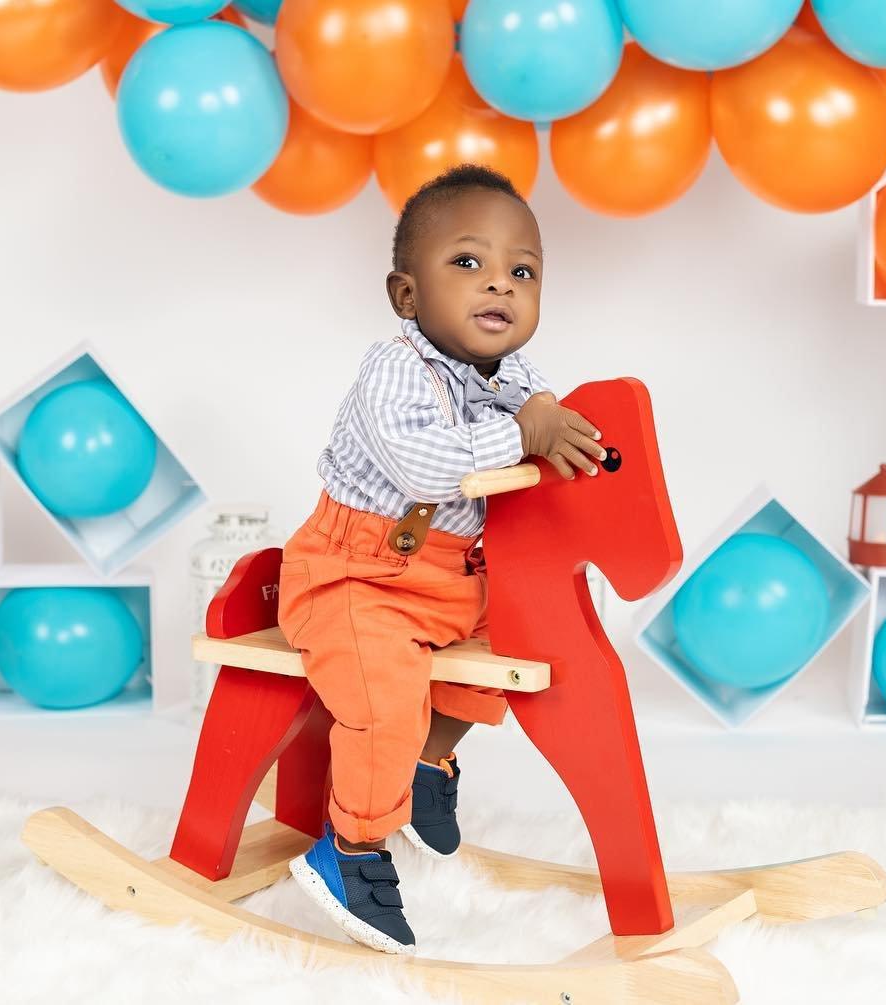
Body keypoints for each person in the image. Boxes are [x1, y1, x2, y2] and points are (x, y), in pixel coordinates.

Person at [279, 164, 607, 955]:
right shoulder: (393, 369)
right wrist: (525, 433)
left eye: (522, 272)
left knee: (513, 645)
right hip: (354, 574)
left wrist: (543, 413)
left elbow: (538, 396)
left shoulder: (508, 374)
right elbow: (426, 468)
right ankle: (351, 847)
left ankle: (428, 761)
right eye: (468, 262)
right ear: (407, 294)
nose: (499, 284)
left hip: (455, 574)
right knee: (385, 699)